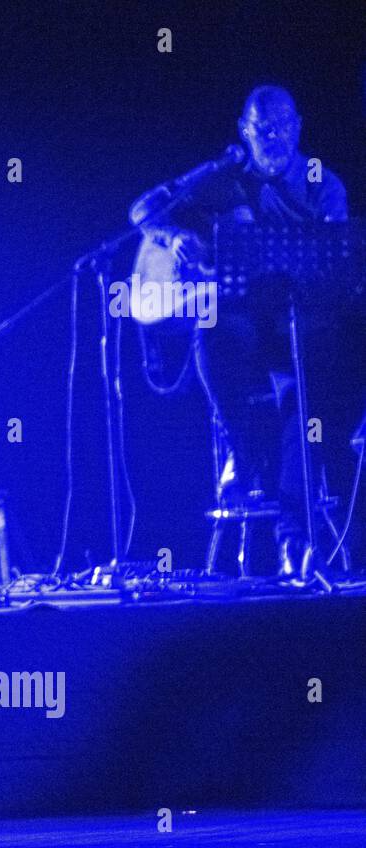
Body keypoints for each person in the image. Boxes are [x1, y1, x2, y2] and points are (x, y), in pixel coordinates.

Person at [133, 85, 359, 575]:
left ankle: (293, 539)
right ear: (244, 131)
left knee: (312, 387)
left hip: (302, 324)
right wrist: (174, 237)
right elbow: (143, 210)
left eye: (282, 127)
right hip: (244, 323)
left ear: (298, 127)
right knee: (213, 336)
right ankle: (243, 449)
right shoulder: (222, 178)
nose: (273, 137)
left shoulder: (322, 182)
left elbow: (337, 256)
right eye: (262, 129)